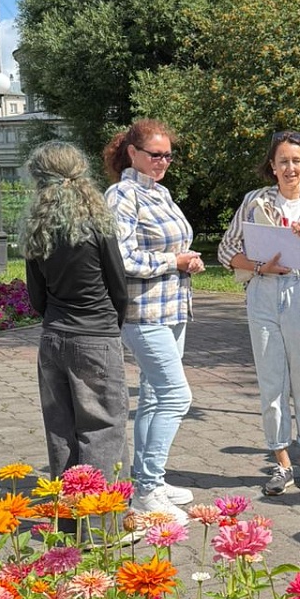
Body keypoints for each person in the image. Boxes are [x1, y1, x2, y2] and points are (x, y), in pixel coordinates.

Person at [218, 130, 300, 496]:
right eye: (283, 161)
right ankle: (281, 462)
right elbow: (226, 251)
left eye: (297, 161)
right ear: (272, 166)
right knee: (272, 382)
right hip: (264, 292)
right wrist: (261, 267)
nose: (290, 168)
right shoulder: (254, 201)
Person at [104, 119, 204, 518]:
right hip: (143, 313)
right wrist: (172, 261)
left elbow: (171, 246)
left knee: (153, 395)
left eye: (168, 156)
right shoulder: (122, 195)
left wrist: (186, 261)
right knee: (176, 396)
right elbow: (122, 258)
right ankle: (146, 493)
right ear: (133, 153)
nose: (163, 162)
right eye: (155, 155)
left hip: (173, 307)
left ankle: (150, 482)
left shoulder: (160, 193)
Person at [19, 141, 128, 487]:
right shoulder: (98, 224)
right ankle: (101, 515)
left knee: (61, 430)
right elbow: (119, 287)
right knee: (103, 427)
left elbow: (36, 297)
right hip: (96, 334)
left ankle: (65, 512)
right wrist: (111, 327)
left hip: (53, 336)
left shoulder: (37, 229)